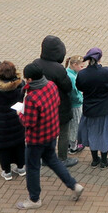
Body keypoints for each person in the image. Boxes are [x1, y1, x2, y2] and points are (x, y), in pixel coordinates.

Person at [16, 63, 85, 209]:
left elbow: (29, 122)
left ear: (29, 79)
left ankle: (34, 199)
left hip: (36, 139)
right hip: (52, 132)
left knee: (33, 167)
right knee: (53, 160)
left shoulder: (31, 98)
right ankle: (73, 185)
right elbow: (57, 102)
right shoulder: (52, 86)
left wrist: (20, 114)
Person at [32, 35, 77, 166]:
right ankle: (63, 158)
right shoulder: (58, 68)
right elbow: (67, 86)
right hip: (59, 106)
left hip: (41, 107)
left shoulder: (36, 63)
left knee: (45, 133)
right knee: (63, 132)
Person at [75, 47, 108, 168]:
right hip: (105, 108)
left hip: (89, 109)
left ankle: (95, 159)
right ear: (99, 58)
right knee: (104, 133)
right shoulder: (106, 72)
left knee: (92, 133)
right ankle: (104, 161)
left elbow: (79, 87)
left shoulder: (82, 74)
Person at [0, 60, 27, 181]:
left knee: (2, 148)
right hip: (16, 120)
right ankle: (21, 168)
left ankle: (7, 172)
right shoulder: (20, 85)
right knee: (19, 144)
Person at [65, 56, 84, 154]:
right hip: (75, 105)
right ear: (74, 65)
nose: (82, 69)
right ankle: (73, 146)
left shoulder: (67, 72)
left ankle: (69, 143)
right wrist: (81, 99)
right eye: (81, 66)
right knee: (75, 125)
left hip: (69, 105)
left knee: (71, 125)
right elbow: (75, 93)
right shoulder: (72, 77)